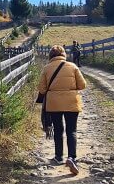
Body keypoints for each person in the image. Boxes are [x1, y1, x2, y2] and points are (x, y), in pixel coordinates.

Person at [37, 45, 87, 175]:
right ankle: (72, 158)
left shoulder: (46, 68)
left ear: (50, 56)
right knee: (72, 130)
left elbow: (42, 89)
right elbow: (82, 85)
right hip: (71, 102)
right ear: (63, 54)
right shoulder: (73, 66)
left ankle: (58, 156)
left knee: (58, 129)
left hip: (54, 103)